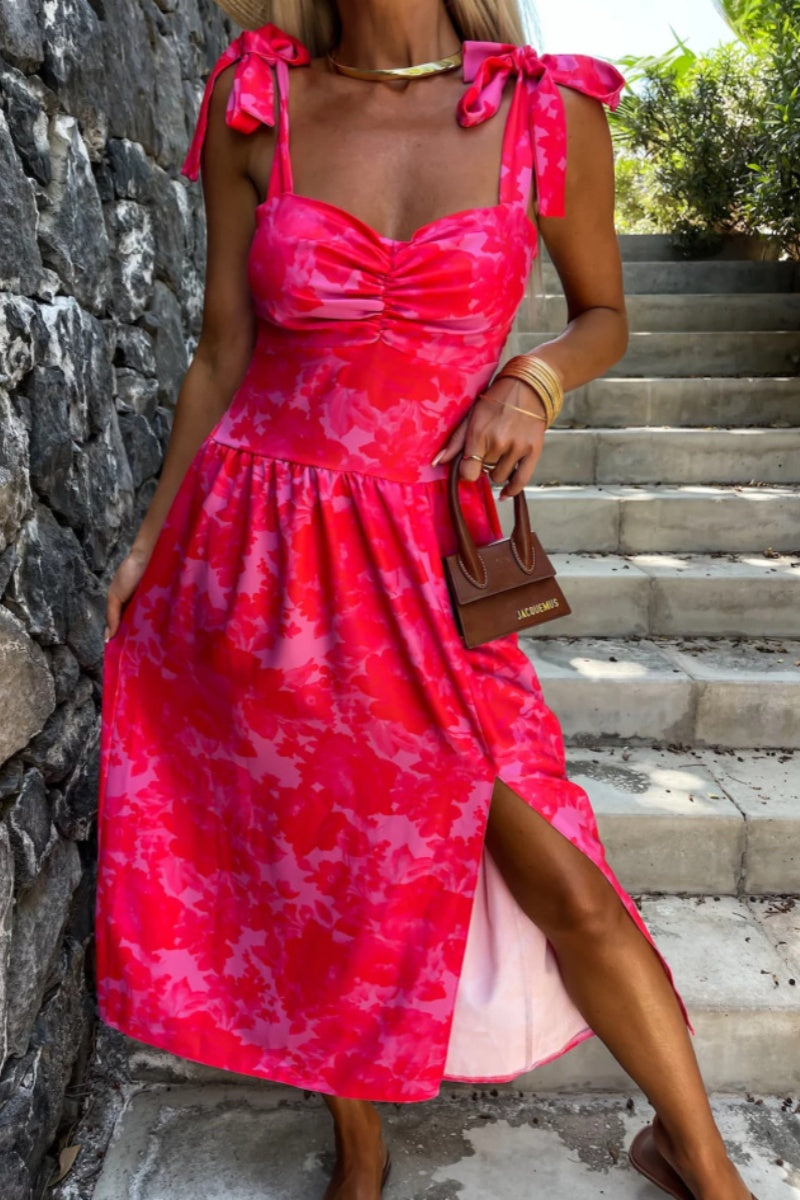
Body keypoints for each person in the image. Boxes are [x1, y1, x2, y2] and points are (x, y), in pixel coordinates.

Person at [95, 2, 759, 1198]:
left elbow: (602, 314)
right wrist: (151, 542)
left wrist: (531, 380)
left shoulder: (544, 110)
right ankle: (359, 1144)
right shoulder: (257, 102)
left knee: (560, 870)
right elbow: (219, 353)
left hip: (426, 562)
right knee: (316, 861)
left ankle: (698, 1161)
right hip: (258, 554)